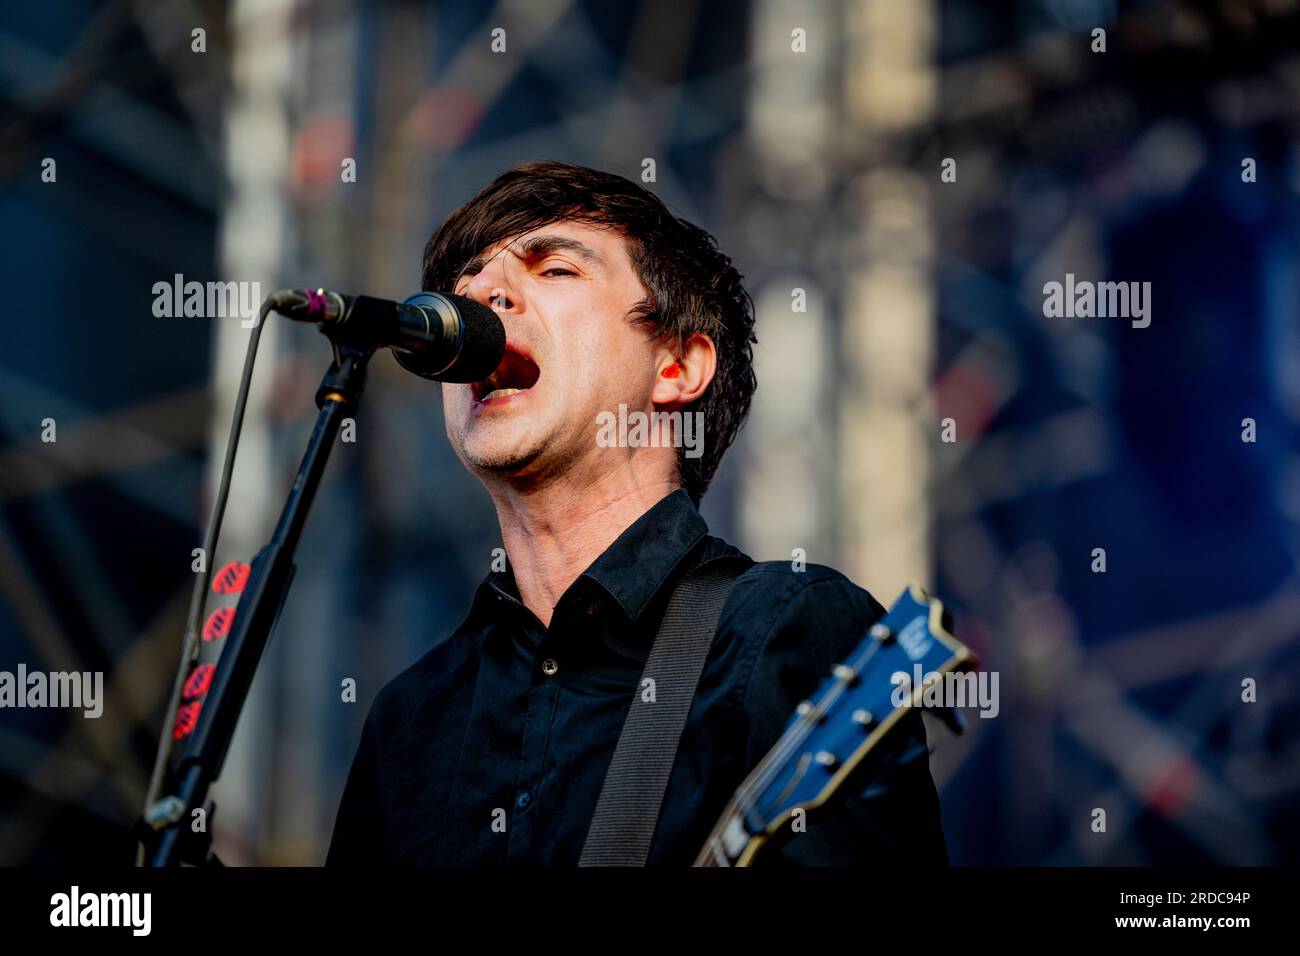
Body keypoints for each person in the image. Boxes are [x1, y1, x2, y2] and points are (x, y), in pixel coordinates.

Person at [326, 160, 947, 866]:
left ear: (677, 367)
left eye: (554, 269)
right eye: (466, 283)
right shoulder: (412, 719)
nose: (479, 294)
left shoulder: (783, 631)